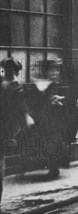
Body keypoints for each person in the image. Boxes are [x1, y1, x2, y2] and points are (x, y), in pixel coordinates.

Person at [1, 58, 34, 204]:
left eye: (9, 69)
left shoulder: (14, 85)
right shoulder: (7, 84)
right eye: (5, 69)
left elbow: (21, 109)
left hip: (6, 128)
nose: (7, 72)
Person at [32, 59, 67, 178]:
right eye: (51, 70)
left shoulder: (58, 84)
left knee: (55, 142)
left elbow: (68, 99)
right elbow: (38, 102)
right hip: (46, 119)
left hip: (57, 118)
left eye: (56, 70)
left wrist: (60, 101)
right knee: (48, 142)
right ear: (46, 71)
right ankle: (52, 167)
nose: (54, 73)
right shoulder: (42, 85)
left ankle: (54, 167)